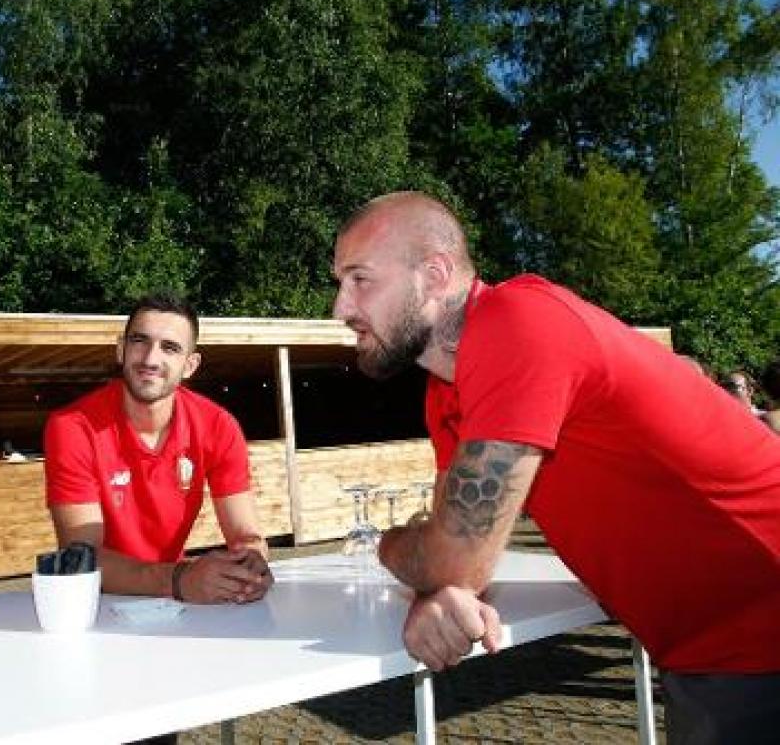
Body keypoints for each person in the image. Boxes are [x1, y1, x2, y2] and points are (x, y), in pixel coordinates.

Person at [331, 192, 780, 745]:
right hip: (707, 646)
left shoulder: (515, 324)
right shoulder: (446, 392)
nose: (341, 308)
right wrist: (440, 585)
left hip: (760, 627)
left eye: (360, 279)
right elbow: (457, 546)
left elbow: (452, 555)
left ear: (435, 274)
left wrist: (387, 546)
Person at [44, 292, 273, 605]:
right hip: (99, 603)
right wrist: (179, 578)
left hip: (170, 599)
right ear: (121, 349)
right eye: (140, 341)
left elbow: (246, 535)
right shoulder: (73, 426)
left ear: (190, 365)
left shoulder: (218, 425)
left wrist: (250, 567)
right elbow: (81, 558)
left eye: (170, 347)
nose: (150, 359)